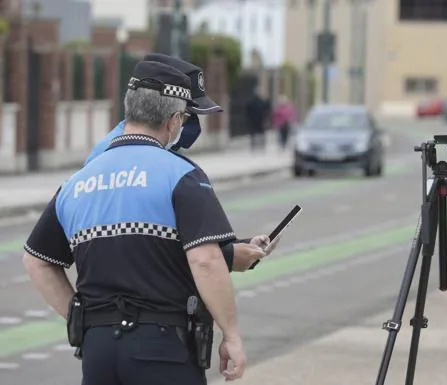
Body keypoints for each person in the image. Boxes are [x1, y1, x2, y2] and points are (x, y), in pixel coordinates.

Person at [22, 61, 246, 385]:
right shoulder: (181, 175)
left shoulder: (76, 183)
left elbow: (37, 260)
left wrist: (80, 317)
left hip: (98, 351)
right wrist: (232, 334)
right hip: (164, 347)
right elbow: (205, 259)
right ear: (172, 121)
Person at [85, 53, 274, 272]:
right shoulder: (116, 154)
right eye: (188, 115)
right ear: (170, 113)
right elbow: (133, 242)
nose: (189, 124)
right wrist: (226, 256)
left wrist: (234, 248)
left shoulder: (152, 152)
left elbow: (163, 232)